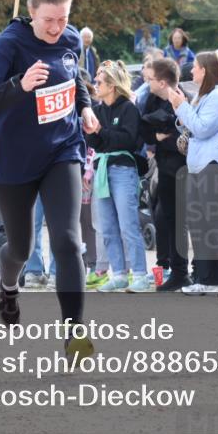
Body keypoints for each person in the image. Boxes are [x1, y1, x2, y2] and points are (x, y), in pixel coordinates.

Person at [0, 0, 99, 358]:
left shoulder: (71, 38)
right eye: (49, 21)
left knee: (67, 240)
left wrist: (86, 109)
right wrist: (19, 86)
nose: (58, 28)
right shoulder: (10, 44)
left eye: (63, 19)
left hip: (62, 151)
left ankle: (75, 333)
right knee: (21, 248)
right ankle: (7, 284)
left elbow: (76, 81)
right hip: (13, 160)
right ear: (31, 13)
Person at [166, 51, 218, 296]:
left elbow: (202, 128)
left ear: (206, 70)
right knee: (200, 223)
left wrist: (181, 106)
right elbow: (191, 124)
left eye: (195, 67)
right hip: (200, 166)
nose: (191, 71)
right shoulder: (205, 95)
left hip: (215, 165)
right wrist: (181, 108)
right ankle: (209, 279)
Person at [87, 61, 153, 292]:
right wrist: (96, 134)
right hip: (102, 168)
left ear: (112, 85)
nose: (95, 85)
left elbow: (127, 140)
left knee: (128, 225)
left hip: (123, 169)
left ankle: (141, 275)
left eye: (99, 81)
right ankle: (120, 274)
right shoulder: (96, 110)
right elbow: (94, 142)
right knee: (107, 226)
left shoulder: (128, 109)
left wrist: (101, 133)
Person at [141, 57, 191, 291]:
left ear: (162, 82)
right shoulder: (152, 99)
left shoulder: (179, 99)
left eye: (150, 79)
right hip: (164, 166)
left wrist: (163, 134)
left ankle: (182, 272)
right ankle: (170, 269)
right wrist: (156, 136)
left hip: (182, 168)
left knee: (177, 220)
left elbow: (180, 133)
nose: (147, 83)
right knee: (163, 218)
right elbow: (145, 129)